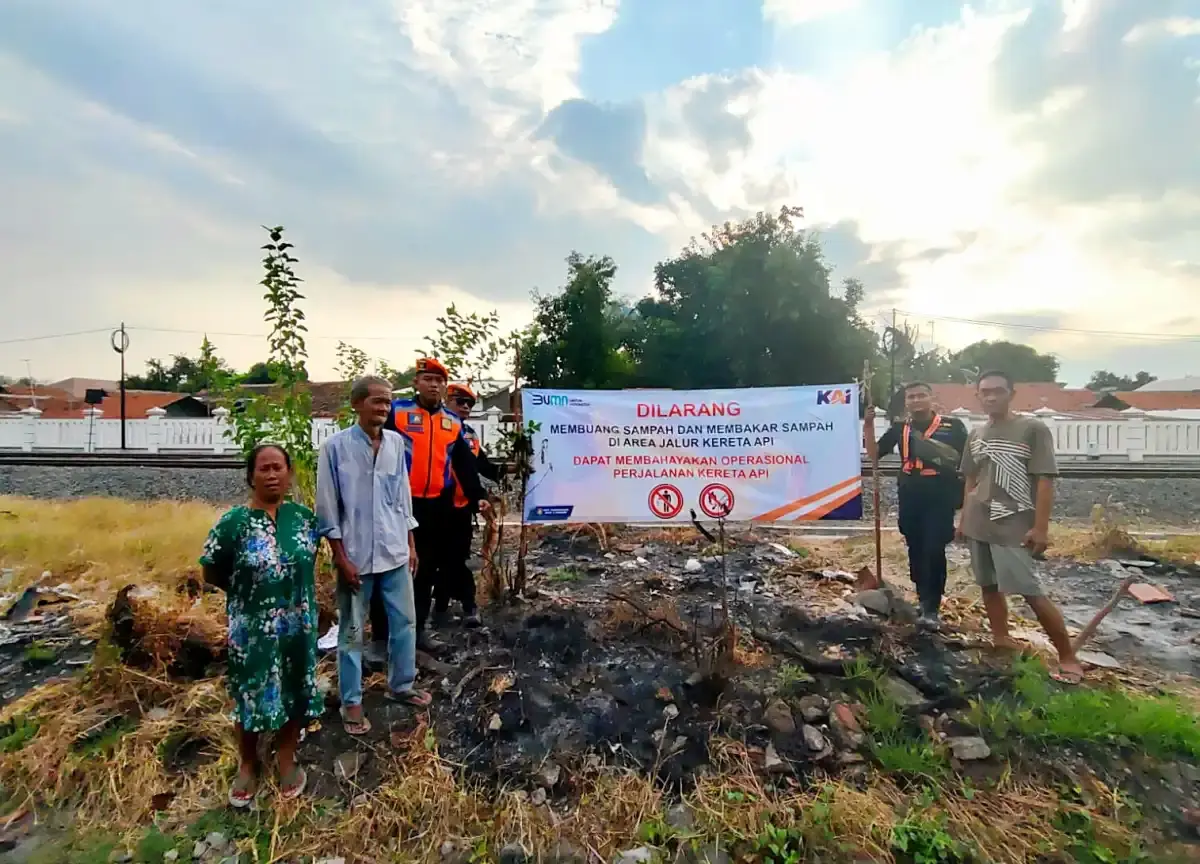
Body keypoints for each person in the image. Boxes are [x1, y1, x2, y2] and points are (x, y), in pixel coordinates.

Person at [200, 444, 323, 807]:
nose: (272, 475)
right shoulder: (232, 523)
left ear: (289, 473)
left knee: (294, 686)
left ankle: (286, 759)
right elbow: (211, 570)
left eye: (278, 468)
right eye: (264, 469)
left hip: (298, 624)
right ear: (250, 476)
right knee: (250, 692)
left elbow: (307, 562)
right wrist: (251, 600)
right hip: (251, 629)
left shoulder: (303, 518)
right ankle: (249, 763)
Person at [316, 375, 432, 738]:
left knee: (405, 624)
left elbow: (403, 498)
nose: (383, 408)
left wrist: (411, 544)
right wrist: (340, 557)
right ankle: (351, 701)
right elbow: (327, 508)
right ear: (357, 404)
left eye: (387, 402)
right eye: (377, 401)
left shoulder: (397, 444)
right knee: (352, 631)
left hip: (395, 551)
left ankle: (402, 685)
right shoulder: (335, 448)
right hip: (355, 556)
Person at [957, 370, 1085, 684]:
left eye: (997, 391)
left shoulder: (1032, 429)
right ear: (978, 396)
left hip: (1013, 522)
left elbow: (1045, 480)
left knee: (1029, 591)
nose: (991, 397)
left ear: (1011, 393)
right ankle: (1002, 640)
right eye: (984, 392)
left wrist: (1040, 528)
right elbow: (970, 478)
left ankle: (1067, 655)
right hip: (978, 521)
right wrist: (962, 519)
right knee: (988, 586)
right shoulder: (976, 435)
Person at [380, 358, 489, 652]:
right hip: (397, 503)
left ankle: (417, 634)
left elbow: (466, 464)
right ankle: (381, 637)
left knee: (426, 569)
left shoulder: (452, 423)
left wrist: (478, 495)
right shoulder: (397, 413)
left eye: (439, 381)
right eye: (427, 379)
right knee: (388, 566)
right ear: (416, 382)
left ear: (444, 387)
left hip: (434, 506)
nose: (433, 384)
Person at [865, 382, 968, 626]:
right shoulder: (900, 428)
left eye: (921, 395)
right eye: (911, 397)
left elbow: (967, 462)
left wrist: (965, 496)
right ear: (906, 402)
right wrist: (868, 425)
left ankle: (932, 606)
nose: (916, 400)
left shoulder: (953, 427)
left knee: (934, 548)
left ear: (932, 398)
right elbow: (874, 454)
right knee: (915, 547)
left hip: (940, 494)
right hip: (911, 493)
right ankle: (922, 597)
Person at [435, 382, 502, 628]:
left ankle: (461, 606)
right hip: (434, 506)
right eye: (459, 402)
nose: (464, 407)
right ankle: (447, 607)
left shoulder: (470, 434)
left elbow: (481, 465)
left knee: (458, 557)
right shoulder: (434, 429)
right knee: (437, 559)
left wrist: (511, 471)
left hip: (463, 507)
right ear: (446, 401)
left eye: (469, 404)